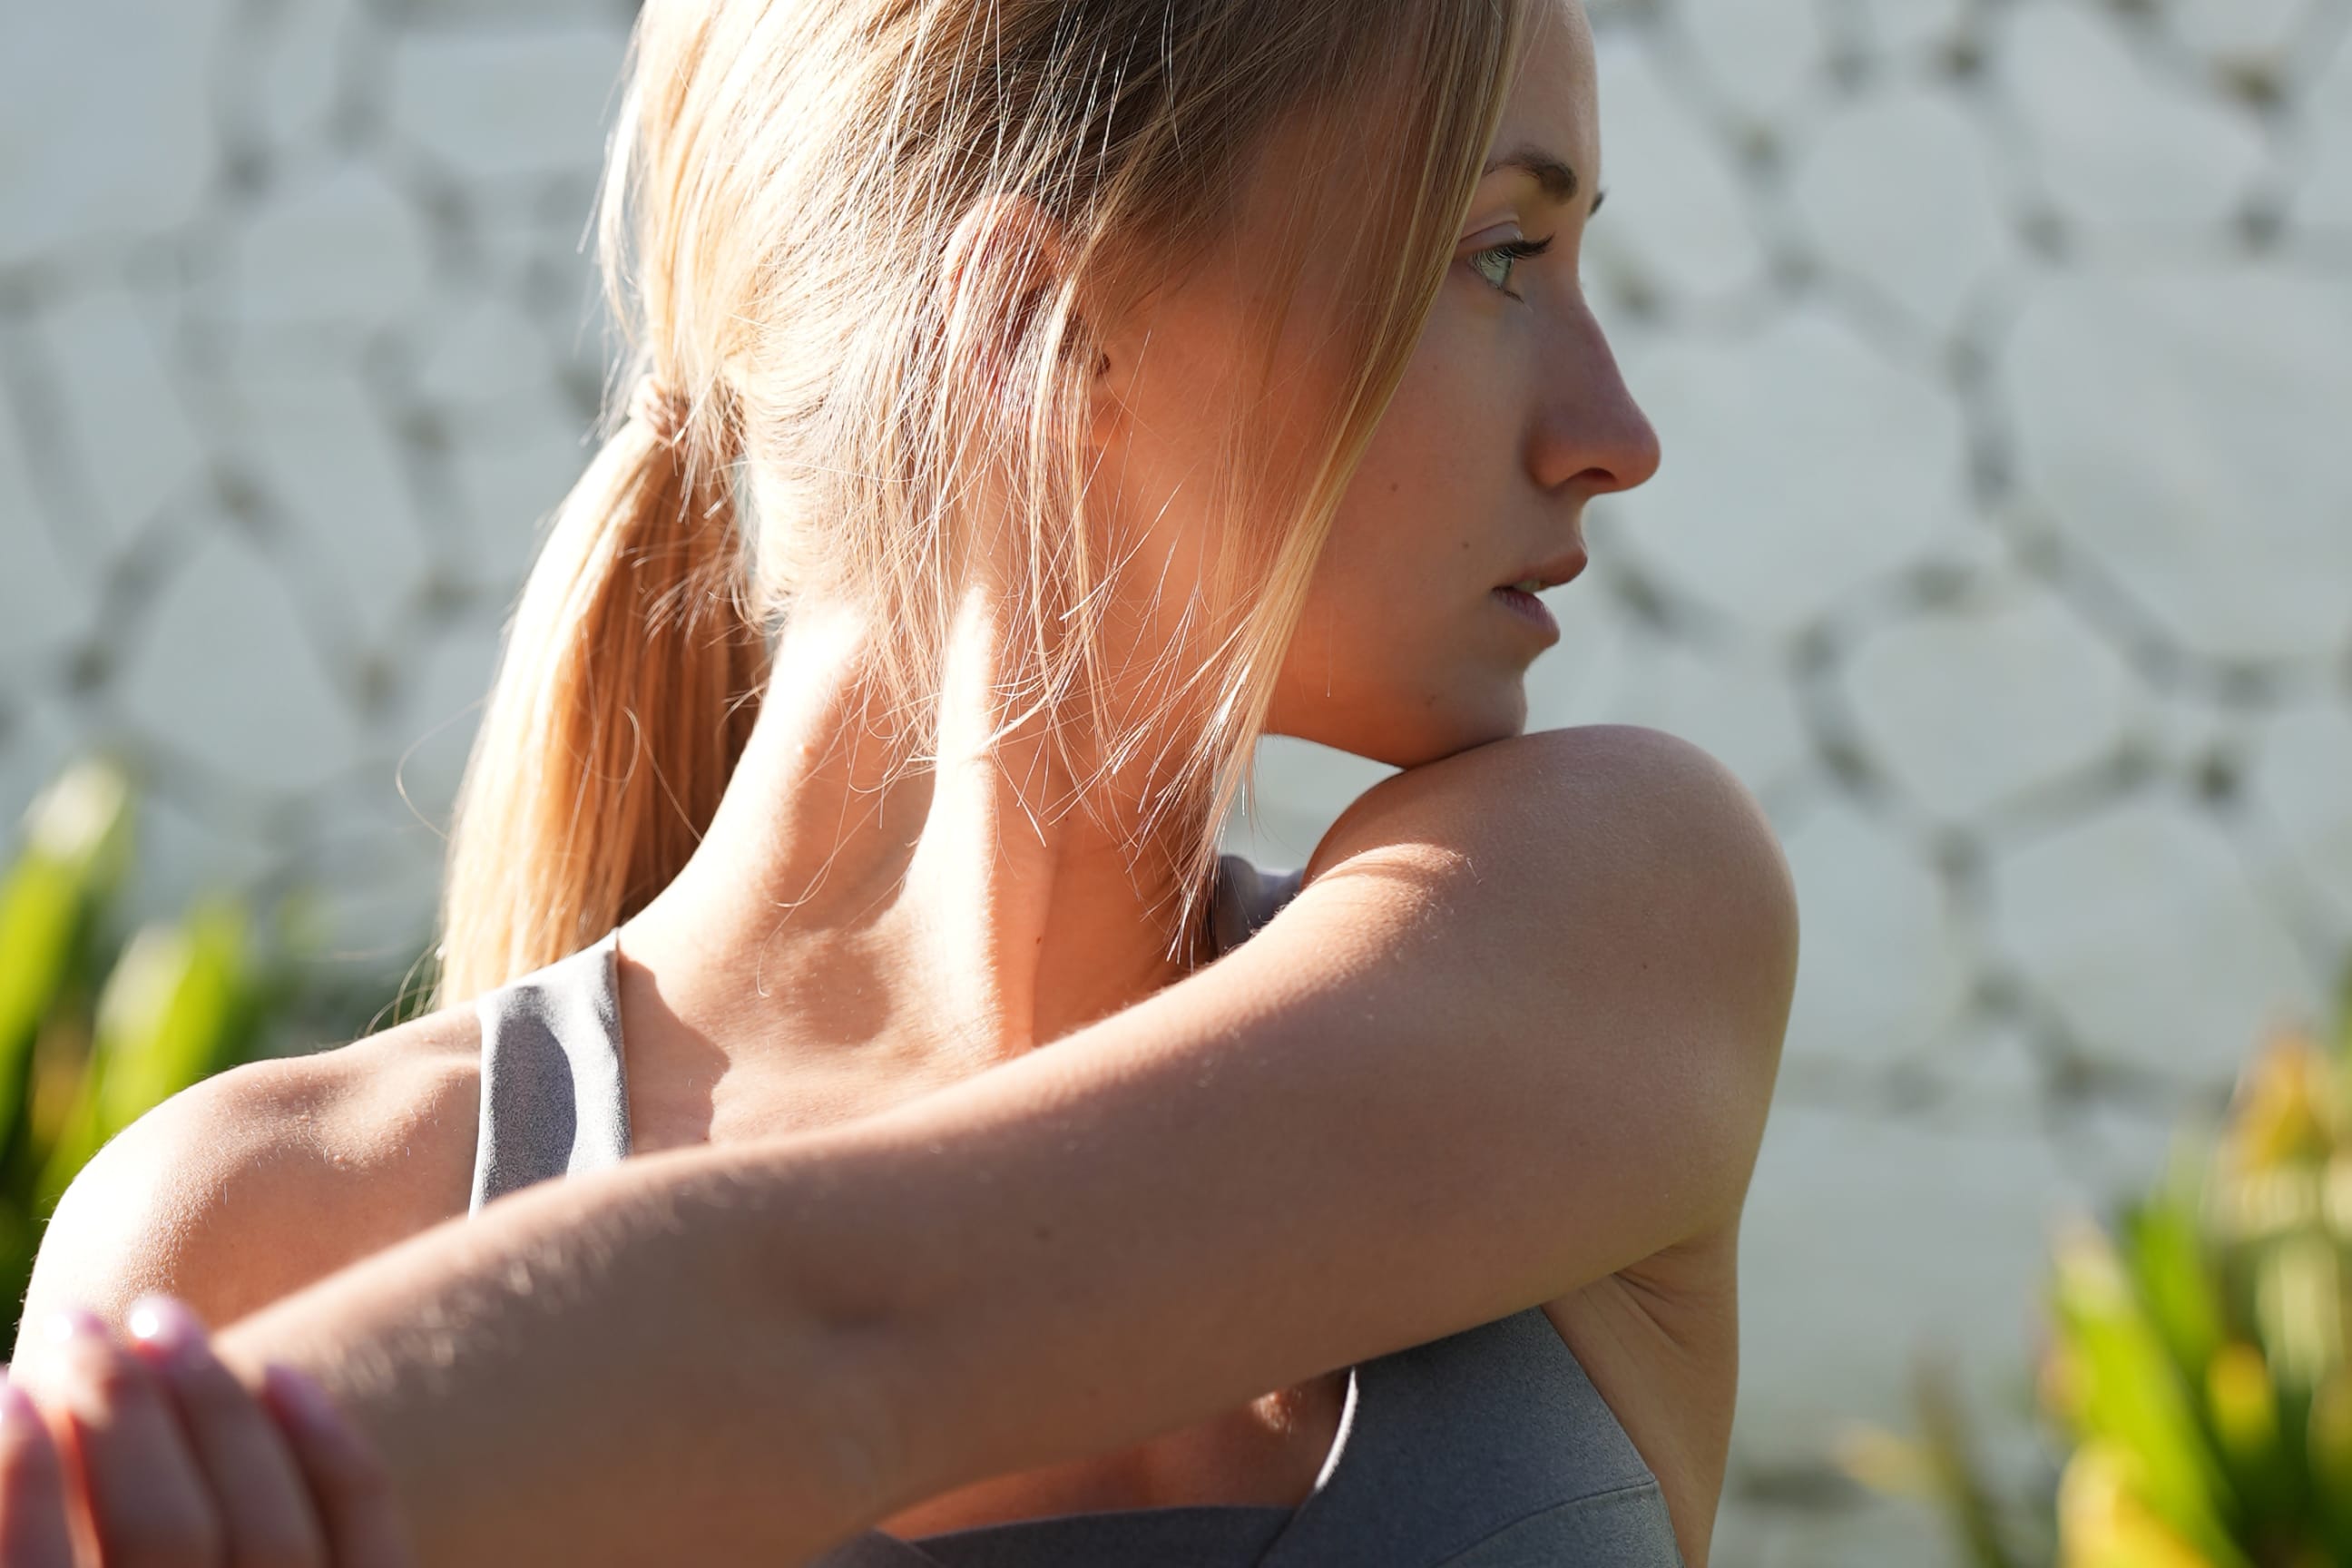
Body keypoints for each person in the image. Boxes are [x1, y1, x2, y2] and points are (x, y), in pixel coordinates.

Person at [4, 0, 1797, 1563]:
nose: (1613, 431)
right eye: (1500, 253)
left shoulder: (1620, 915)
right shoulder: (254, 1235)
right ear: (1039, 322)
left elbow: (833, 1342)